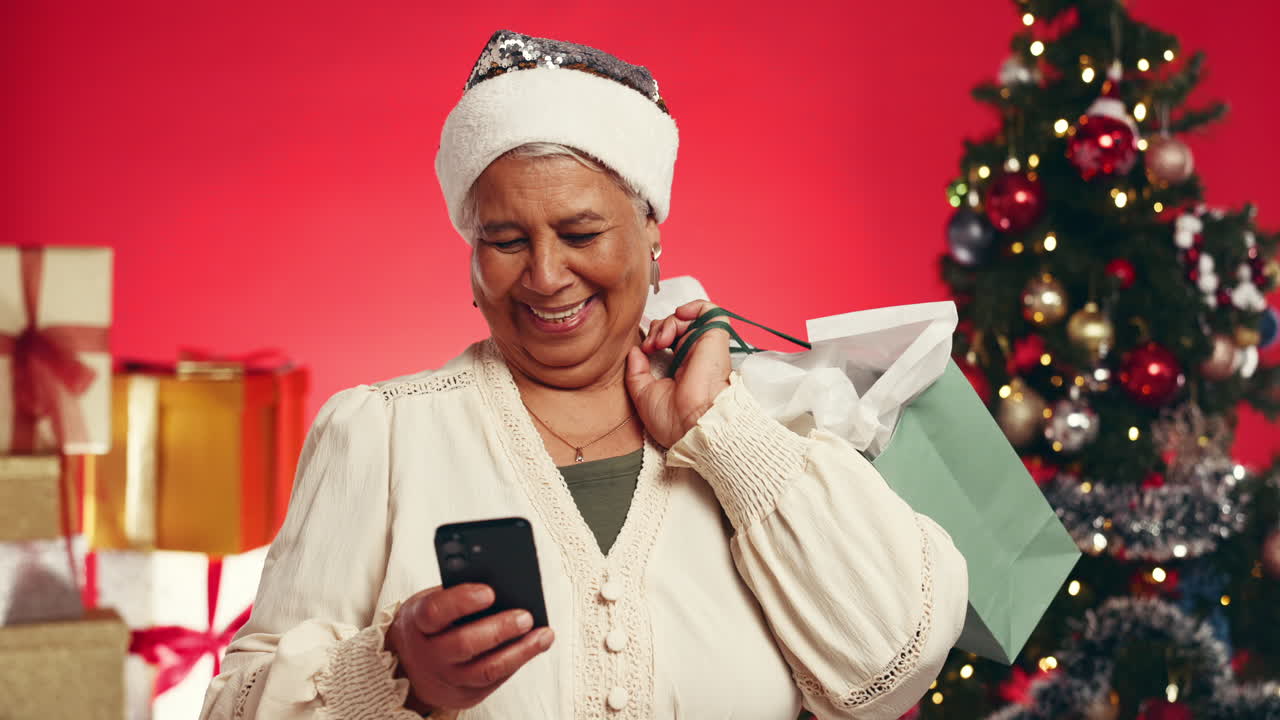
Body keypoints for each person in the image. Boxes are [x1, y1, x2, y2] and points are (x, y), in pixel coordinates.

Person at [201, 29, 968, 720]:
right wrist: (396, 676)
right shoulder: (381, 436)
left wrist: (719, 431)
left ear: (650, 230)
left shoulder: (766, 418)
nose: (544, 274)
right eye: (504, 239)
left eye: (580, 232)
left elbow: (890, 668)